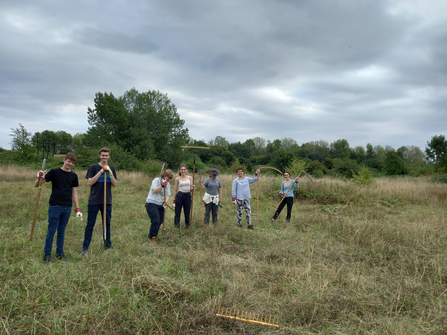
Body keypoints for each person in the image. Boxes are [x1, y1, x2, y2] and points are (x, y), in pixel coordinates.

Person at [35, 153, 82, 263]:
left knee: (61, 231)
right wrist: (39, 177)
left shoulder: (73, 176)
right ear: (64, 160)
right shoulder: (54, 172)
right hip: (55, 205)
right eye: (69, 161)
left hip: (67, 206)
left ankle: (60, 253)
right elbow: (38, 184)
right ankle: (47, 255)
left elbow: (74, 192)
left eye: (72, 163)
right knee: (51, 231)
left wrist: (77, 208)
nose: (70, 164)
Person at [81, 147, 118, 255]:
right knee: (90, 224)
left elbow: (115, 184)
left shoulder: (112, 168)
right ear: (99, 156)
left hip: (107, 201)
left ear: (109, 156)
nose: (105, 157)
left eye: (106, 155)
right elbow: (90, 182)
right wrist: (102, 170)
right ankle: (85, 247)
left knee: (107, 224)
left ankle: (107, 244)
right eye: (103, 155)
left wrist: (109, 172)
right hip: (94, 200)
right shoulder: (93, 167)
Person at [145, 169, 174, 244]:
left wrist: (166, 201)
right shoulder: (156, 180)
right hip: (152, 203)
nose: (168, 180)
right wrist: (161, 186)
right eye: (168, 177)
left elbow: (168, 195)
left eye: (170, 178)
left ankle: (154, 236)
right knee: (156, 220)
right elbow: (154, 190)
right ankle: (152, 237)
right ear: (164, 175)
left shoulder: (168, 184)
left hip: (161, 204)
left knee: (160, 221)